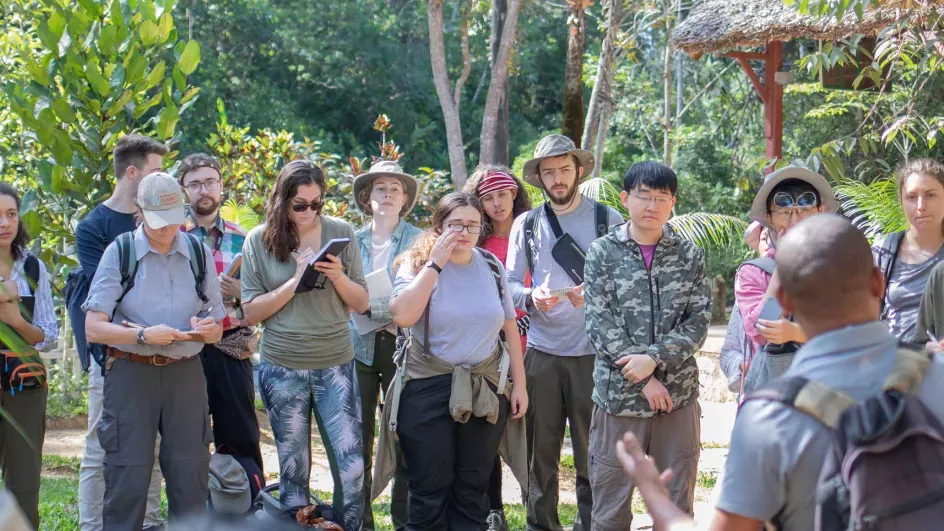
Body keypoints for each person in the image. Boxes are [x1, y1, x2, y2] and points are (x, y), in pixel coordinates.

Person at [615, 214, 944, 531]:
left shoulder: (769, 419)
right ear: (878, 282)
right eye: (785, 207)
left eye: (806, 204)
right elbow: (759, 327)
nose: (795, 212)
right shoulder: (937, 374)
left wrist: (655, 496)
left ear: (785, 297)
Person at [84, 172, 226, 531]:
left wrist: (210, 329)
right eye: (158, 221)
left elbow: (217, 321)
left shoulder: (197, 251)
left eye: (174, 220)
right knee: (127, 477)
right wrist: (144, 335)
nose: (167, 229)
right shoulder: (121, 252)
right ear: (139, 211)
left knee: (190, 474)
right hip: (132, 373)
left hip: (186, 373)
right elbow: (94, 327)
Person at [384, 192, 528, 531]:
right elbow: (402, 315)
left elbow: (509, 326)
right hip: (427, 388)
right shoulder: (417, 264)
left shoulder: (491, 266)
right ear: (438, 227)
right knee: (429, 486)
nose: (464, 232)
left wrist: (518, 385)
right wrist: (435, 263)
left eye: (472, 226)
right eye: (455, 225)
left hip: (485, 388)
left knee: (472, 486)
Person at [240, 160, 368, 531]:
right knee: (293, 468)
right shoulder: (258, 240)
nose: (309, 212)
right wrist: (295, 282)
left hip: (336, 362)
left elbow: (361, 302)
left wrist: (338, 275)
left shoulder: (341, 232)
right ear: (282, 201)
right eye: (300, 205)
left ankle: (350, 527)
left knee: (352, 466)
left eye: (317, 204)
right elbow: (250, 312)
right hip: (283, 366)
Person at [583, 162, 711, 530]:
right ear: (626, 199)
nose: (652, 206)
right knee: (610, 509)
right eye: (643, 196)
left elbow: (698, 322)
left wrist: (653, 359)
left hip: (677, 400)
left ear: (673, 203)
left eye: (661, 198)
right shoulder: (602, 252)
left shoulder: (690, 255)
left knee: (676, 506)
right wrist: (642, 379)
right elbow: (599, 323)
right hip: (618, 401)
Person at [505, 134, 622, 531]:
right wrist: (531, 295)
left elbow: (628, 282)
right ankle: (541, 526)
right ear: (539, 177)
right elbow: (508, 283)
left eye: (564, 170)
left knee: (594, 452)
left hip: (594, 353)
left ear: (579, 170)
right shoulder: (527, 223)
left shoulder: (609, 220)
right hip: (541, 352)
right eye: (549, 171)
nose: (558, 178)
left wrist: (597, 291)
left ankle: (591, 525)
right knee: (541, 453)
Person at [73, 133, 169, 531]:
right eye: (157, 172)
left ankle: (148, 523)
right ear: (133, 173)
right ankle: (92, 524)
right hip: (111, 357)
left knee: (153, 447)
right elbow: (108, 296)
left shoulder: (164, 219)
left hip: (161, 354)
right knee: (100, 447)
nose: (166, 181)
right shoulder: (93, 227)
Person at [348, 160, 422, 531]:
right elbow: (343, 294)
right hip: (358, 348)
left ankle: (403, 520)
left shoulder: (421, 239)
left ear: (405, 197)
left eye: (395, 188)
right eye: (380, 188)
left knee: (404, 435)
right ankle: (361, 521)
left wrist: (369, 306)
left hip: (405, 349)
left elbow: (416, 297)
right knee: (357, 439)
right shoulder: (349, 241)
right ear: (367, 197)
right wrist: (376, 308)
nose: (388, 194)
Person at [178, 153, 263, 472]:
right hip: (184, 351)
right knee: (186, 439)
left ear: (221, 186)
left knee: (240, 438)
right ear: (184, 190)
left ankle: (244, 512)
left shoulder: (245, 240)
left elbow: (262, 299)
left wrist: (241, 292)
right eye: (195, 184)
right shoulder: (173, 238)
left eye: (210, 182)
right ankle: (190, 516)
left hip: (231, 348)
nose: (204, 190)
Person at [463, 164, 532, 531]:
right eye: (487, 198)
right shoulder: (479, 244)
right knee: (488, 429)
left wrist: (526, 321)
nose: (497, 204)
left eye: (503, 195)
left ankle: (534, 503)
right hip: (492, 353)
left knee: (532, 431)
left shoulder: (532, 235)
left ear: (515, 194)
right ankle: (493, 510)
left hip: (535, 345)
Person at [735, 166, 838, 391]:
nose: (795, 221)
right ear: (770, 219)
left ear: (820, 211)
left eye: (804, 210)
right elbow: (760, 332)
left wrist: (797, 333)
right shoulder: (754, 272)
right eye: (784, 213)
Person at [0, 183, 59, 529]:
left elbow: (47, 337)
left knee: (24, 483)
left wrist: (14, 319)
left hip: (25, 385)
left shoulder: (33, 268)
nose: (5, 223)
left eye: (10, 214)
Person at [874, 158, 944, 342]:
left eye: (930, 195)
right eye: (911, 197)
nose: (920, 206)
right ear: (902, 202)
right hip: (897, 362)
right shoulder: (885, 253)